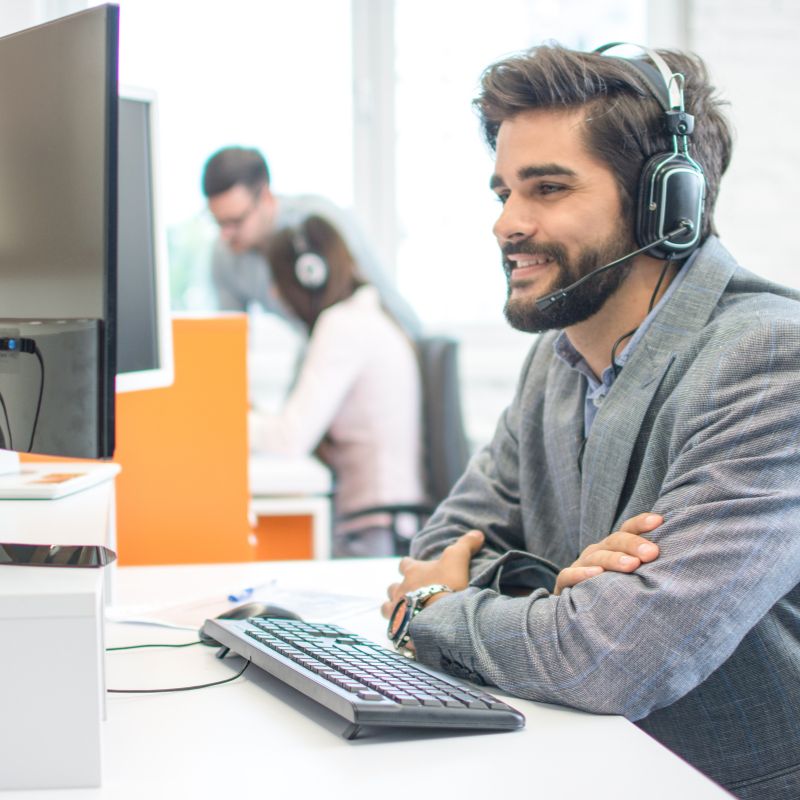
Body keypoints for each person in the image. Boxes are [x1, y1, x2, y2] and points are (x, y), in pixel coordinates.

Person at [382, 42, 800, 799]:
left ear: (665, 202)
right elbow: (442, 544)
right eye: (504, 190)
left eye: (547, 188)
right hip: (577, 759)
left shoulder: (772, 360)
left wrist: (438, 609)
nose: (507, 223)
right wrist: (563, 603)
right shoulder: (558, 359)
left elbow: (615, 660)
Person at [249, 214, 425, 558]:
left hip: (373, 532)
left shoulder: (343, 326)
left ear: (309, 275)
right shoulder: (362, 318)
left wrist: (225, 421)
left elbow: (289, 439)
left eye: (278, 280)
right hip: (380, 526)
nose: (274, 293)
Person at [201, 146, 421, 337]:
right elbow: (230, 341)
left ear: (266, 197)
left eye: (236, 221)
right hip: (317, 345)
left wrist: (425, 368)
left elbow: (378, 292)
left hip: (364, 346)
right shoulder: (224, 255)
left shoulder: (318, 225)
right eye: (218, 223)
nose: (225, 234)